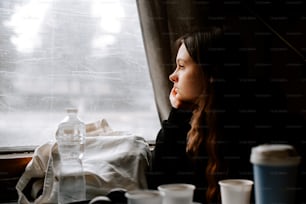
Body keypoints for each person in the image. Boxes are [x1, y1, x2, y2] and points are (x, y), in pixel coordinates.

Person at [146, 26, 306, 204]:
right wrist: (177, 113)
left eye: (181, 66)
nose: (172, 76)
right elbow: (162, 189)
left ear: (211, 73)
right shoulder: (190, 128)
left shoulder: (259, 128)